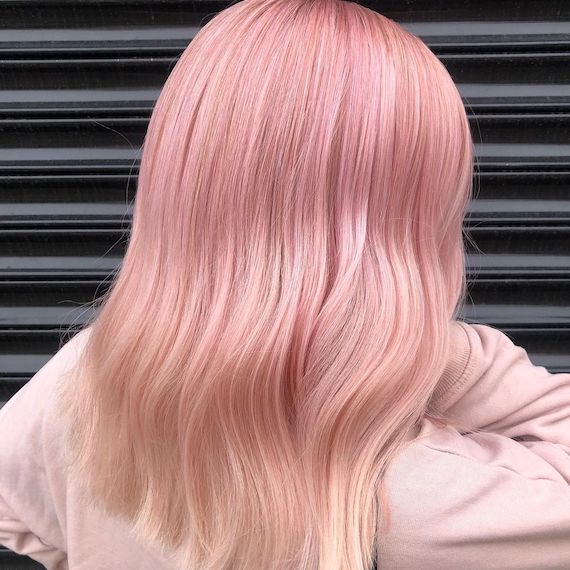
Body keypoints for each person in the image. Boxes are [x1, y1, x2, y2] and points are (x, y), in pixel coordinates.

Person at [1, 0, 569, 568]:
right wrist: (451, 353)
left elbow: (11, 505)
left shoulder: (85, 380)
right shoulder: (422, 506)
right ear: (414, 230)